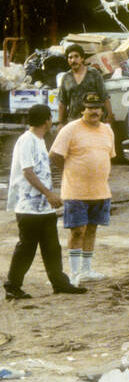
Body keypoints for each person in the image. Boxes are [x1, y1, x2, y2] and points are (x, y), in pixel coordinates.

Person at [4, 104, 84, 300]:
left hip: (42, 207)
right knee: (27, 248)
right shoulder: (26, 141)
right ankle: (12, 286)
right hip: (28, 206)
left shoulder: (40, 140)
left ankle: (59, 282)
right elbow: (27, 171)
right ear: (47, 121)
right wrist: (49, 193)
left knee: (51, 246)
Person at [49, 93, 116, 284]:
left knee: (92, 229)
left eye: (97, 107)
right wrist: (68, 171)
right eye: (89, 107)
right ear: (82, 110)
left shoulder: (108, 131)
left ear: (102, 110)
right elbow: (54, 154)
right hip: (75, 191)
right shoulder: (71, 129)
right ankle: (74, 274)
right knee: (77, 230)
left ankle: (87, 271)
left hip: (100, 191)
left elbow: (108, 156)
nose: (94, 111)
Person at [57, 45, 112, 124]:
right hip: (74, 121)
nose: (73, 60)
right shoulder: (66, 77)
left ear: (82, 58)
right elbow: (62, 102)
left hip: (93, 119)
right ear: (68, 60)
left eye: (76, 56)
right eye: (70, 57)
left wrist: (109, 117)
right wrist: (60, 122)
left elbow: (104, 97)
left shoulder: (94, 73)